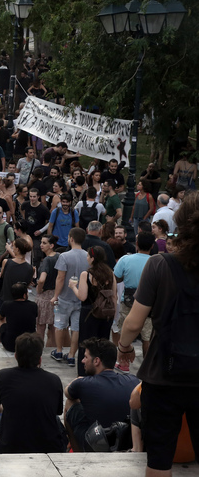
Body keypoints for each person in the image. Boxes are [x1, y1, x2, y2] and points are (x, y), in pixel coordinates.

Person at [117, 190, 199, 475]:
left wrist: (124, 348)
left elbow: (133, 324)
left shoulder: (159, 265)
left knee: (159, 458)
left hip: (165, 374)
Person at [0, 332, 67, 453]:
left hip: (10, 447)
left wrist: (8, 406)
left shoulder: (3, 376)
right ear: (39, 359)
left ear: (16, 356)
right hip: (50, 447)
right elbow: (56, 412)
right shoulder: (54, 380)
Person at [64, 337, 139, 452]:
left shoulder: (83, 383)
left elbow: (67, 392)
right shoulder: (133, 380)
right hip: (126, 441)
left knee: (71, 403)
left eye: (85, 357)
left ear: (96, 361)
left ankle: (77, 453)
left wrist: (78, 380)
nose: (82, 361)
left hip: (97, 443)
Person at [70, 246, 116, 377]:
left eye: (88, 256)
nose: (87, 258)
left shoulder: (87, 274)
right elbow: (114, 296)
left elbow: (82, 296)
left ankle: (83, 374)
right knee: (102, 345)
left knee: (86, 344)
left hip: (89, 313)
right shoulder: (110, 273)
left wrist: (73, 287)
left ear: (92, 258)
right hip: (106, 313)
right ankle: (101, 373)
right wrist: (112, 314)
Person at [112, 231, 154, 372]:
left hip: (128, 300)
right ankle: (147, 366)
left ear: (136, 244)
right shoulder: (155, 261)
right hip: (149, 302)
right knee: (147, 336)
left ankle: (123, 364)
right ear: (152, 245)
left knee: (125, 331)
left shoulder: (125, 259)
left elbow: (116, 277)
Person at [51, 227, 88, 367]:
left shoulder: (64, 256)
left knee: (60, 324)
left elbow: (60, 278)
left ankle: (59, 351)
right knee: (76, 328)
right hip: (80, 297)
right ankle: (72, 355)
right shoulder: (87, 256)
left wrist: (55, 296)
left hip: (65, 297)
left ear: (71, 238)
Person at [0, 282, 38, 352]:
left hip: (11, 345)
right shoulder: (33, 305)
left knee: (1, 321)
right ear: (24, 295)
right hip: (29, 344)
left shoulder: (7, 304)